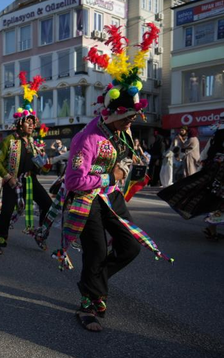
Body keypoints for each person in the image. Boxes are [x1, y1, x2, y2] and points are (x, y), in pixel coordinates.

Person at [68, 23, 172, 332]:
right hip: (87, 199)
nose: (131, 122)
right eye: (128, 117)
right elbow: (75, 181)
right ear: (113, 115)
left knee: (130, 246)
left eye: (133, 118)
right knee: (96, 250)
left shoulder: (119, 133)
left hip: (110, 197)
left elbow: (120, 163)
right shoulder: (87, 139)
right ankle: (89, 301)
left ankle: (94, 283)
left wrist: (126, 169)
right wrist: (107, 177)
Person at [0, 71, 52, 255]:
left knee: (48, 206)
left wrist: (44, 163)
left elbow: (37, 164)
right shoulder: (9, 140)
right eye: (28, 122)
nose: (32, 125)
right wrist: (8, 177)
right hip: (14, 181)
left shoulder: (33, 142)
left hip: (30, 181)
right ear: (20, 123)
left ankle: (40, 235)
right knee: (7, 211)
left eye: (33, 122)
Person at [158, 124, 224, 240]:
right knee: (216, 200)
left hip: (213, 170)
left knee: (213, 199)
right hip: (218, 172)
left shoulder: (213, 138)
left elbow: (205, 153)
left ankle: (212, 229)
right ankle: (212, 229)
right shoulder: (214, 138)